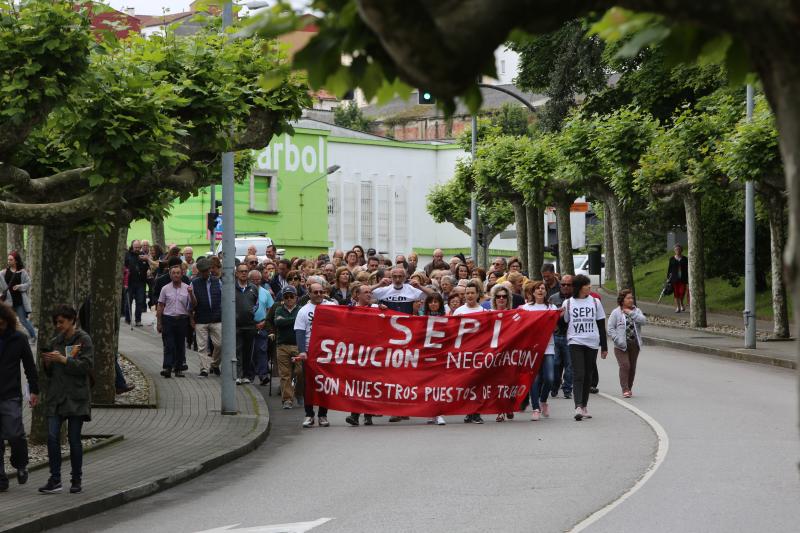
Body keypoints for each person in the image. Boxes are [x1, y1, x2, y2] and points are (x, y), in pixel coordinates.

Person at [39, 305, 93, 494]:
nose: (58, 325)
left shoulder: (84, 339)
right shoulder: (55, 341)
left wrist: (63, 360)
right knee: (52, 437)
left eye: (62, 322)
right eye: (56, 322)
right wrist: (47, 363)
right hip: (56, 397)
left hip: (76, 397)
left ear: (72, 320)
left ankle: (76, 479)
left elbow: (85, 366)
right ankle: (55, 479)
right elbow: (49, 373)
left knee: (74, 439)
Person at [0, 303, 39, 492]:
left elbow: (30, 367)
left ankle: (21, 463)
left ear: (8, 322)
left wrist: (34, 390)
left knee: (15, 434)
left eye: (1, 323)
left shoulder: (19, 339)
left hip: (10, 393)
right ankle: (1, 478)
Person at [563, 274, 608, 421]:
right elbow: (564, 324)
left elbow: (601, 325)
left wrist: (604, 346)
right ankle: (577, 406)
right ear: (579, 287)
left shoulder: (595, 302)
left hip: (592, 341)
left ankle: (584, 406)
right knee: (579, 374)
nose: (590, 287)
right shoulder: (568, 303)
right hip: (575, 341)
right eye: (587, 285)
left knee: (588, 375)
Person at [294, 281, 337, 428]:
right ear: (309, 293)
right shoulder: (303, 311)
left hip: (327, 352)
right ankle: (309, 414)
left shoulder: (332, 307)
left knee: (325, 384)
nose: (319, 295)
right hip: (310, 352)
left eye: (321, 292)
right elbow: (299, 332)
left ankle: (323, 415)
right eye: (315, 292)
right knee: (309, 385)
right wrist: (302, 351)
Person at [521, 281, 557, 421]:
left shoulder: (552, 307)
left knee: (549, 378)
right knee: (534, 379)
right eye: (538, 289)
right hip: (532, 348)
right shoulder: (526, 308)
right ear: (533, 292)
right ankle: (535, 408)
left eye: (543, 288)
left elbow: (554, 326)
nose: (540, 291)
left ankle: (543, 400)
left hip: (548, 346)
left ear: (546, 292)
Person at [345, 283, 379, 427]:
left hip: (373, 352)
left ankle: (368, 415)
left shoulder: (377, 309)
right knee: (357, 384)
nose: (369, 294)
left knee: (370, 384)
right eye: (365, 292)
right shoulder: (350, 309)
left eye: (370, 292)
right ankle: (355, 414)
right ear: (357, 295)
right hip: (356, 351)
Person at [453, 281, 485, 424]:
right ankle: (468, 411)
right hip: (463, 353)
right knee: (466, 383)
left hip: (479, 352)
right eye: (467, 293)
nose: (470, 295)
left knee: (478, 383)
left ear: (478, 294)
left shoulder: (485, 312)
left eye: (472, 293)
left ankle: (476, 412)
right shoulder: (459, 311)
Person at [608, 289, 647, 398]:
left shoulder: (636, 311)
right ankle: (624, 389)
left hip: (634, 344)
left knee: (632, 367)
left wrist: (631, 313)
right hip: (620, 345)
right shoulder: (616, 312)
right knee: (625, 366)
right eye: (628, 298)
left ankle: (629, 388)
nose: (631, 300)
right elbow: (610, 328)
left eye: (632, 298)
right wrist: (617, 339)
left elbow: (643, 321)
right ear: (622, 300)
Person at [157, 265, 193, 378]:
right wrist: (159, 322)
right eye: (174, 273)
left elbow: (193, 304)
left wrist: (191, 293)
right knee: (169, 344)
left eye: (178, 273)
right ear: (170, 275)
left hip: (182, 319)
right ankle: (167, 368)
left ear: (182, 274)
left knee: (180, 345)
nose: (176, 275)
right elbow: (160, 305)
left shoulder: (187, 288)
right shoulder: (165, 289)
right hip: (168, 319)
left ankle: (178, 369)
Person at [269, 286, 302, 409]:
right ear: (283, 298)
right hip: (282, 345)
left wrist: (286, 320)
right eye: (286, 296)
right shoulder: (278, 309)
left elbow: (298, 321)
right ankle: (287, 399)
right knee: (285, 374)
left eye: (291, 296)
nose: (289, 299)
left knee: (300, 372)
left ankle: (299, 393)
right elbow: (278, 322)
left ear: (296, 298)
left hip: (298, 345)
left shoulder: (300, 309)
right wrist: (294, 320)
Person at [189, 257, 222, 377]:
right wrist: (191, 318)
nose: (205, 273)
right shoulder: (194, 283)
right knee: (202, 346)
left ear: (209, 270)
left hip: (216, 318)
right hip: (201, 318)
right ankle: (204, 368)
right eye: (202, 271)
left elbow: (222, 298)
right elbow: (191, 304)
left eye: (206, 271)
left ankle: (214, 364)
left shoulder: (217, 281)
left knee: (220, 344)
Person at [489, 284, 515, 423]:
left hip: (510, 352)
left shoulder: (515, 314)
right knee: (498, 383)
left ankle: (509, 405)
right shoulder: (487, 314)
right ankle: (500, 411)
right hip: (493, 353)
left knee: (509, 382)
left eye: (504, 296)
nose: (501, 299)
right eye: (498, 296)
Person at [549, 274, 574, 399]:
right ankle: (554, 386)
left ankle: (567, 389)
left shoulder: (576, 300)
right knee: (556, 364)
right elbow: (548, 317)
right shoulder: (553, 298)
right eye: (563, 284)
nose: (565, 287)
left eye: (568, 285)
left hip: (571, 337)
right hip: (556, 336)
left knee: (570, 365)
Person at [1, 251, 35, 341]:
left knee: (23, 320)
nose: (9, 261)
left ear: (16, 261)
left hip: (19, 301)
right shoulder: (4, 272)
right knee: (6, 319)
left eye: (11, 260)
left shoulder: (22, 272)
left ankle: (33, 336)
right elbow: (2, 285)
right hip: (8, 301)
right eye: (8, 259)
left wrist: (19, 286)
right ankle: (9, 337)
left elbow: (28, 283)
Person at [234, 264, 260, 384]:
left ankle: (246, 375)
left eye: (246, 271)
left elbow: (256, 303)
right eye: (241, 271)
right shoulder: (231, 287)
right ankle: (238, 375)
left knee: (248, 351)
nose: (244, 273)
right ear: (237, 273)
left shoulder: (253, 288)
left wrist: (251, 312)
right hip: (236, 325)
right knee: (237, 350)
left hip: (250, 325)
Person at [249, 269, 274, 385]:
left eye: (258, 279)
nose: (256, 281)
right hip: (248, 325)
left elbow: (271, 309)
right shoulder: (246, 292)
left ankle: (263, 375)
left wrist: (264, 322)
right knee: (250, 351)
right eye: (253, 279)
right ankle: (250, 374)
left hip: (262, 324)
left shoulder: (265, 292)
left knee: (262, 350)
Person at [124, 240, 150, 327]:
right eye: (136, 247)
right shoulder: (127, 255)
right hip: (130, 282)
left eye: (139, 247)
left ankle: (138, 320)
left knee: (140, 302)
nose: (137, 249)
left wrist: (148, 266)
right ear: (132, 246)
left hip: (141, 282)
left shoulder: (143, 255)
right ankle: (128, 319)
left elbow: (149, 267)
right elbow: (123, 267)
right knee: (129, 301)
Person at [668, 244, 689, 313]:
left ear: (681, 250)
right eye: (676, 249)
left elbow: (687, 268)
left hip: (683, 278)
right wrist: (668, 278)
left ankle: (682, 303)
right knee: (676, 293)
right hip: (674, 279)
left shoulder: (685, 259)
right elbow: (669, 269)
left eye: (679, 249)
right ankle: (678, 307)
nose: (677, 250)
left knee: (682, 292)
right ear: (674, 251)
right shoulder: (672, 259)